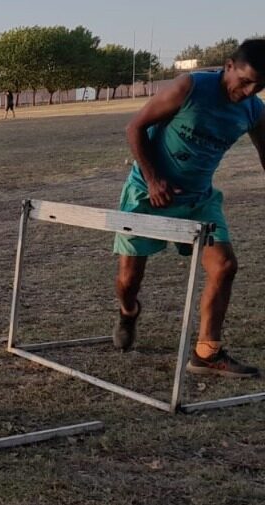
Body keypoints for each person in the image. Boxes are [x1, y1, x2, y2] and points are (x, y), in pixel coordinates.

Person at [112, 39, 265, 377]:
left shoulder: (254, 110)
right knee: (128, 278)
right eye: (244, 80)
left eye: (259, 85)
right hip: (147, 193)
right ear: (228, 66)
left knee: (225, 266)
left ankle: (207, 354)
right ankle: (128, 312)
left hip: (198, 200)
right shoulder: (190, 87)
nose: (249, 90)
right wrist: (153, 180)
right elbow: (134, 127)